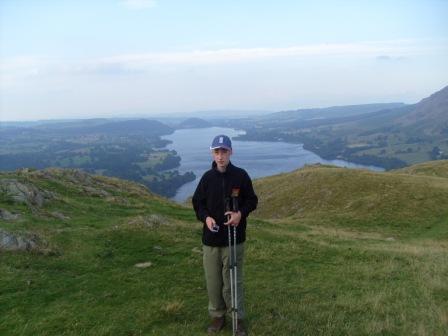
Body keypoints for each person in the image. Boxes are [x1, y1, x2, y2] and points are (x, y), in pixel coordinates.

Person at [192, 134, 258, 336]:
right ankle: (218, 315)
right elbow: (198, 203)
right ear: (212, 153)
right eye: (216, 151)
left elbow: (252, 201)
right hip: (211, 240)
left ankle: (237, 319)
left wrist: (240, 214)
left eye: (224, 151)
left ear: (231, 152)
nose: (220, 156)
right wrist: (206, 218)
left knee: (232, 282)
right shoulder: (207, 178)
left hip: (234, 239)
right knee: (213, 281)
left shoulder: (240, 175)